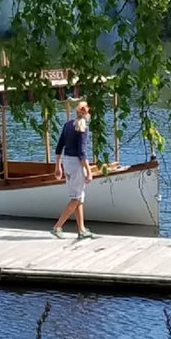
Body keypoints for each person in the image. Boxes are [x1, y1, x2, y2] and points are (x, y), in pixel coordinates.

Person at [51, 101, 95, 239]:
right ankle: (57, 226)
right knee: (76, 198)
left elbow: (59, 147)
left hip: (67, 161)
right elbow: (82, 153)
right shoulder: (83, 128)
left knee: (79, 197)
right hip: (76, 163)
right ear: (87, 114)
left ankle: (81, 229)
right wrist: (89, 171)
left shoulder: (68, 125)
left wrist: (58, 166)